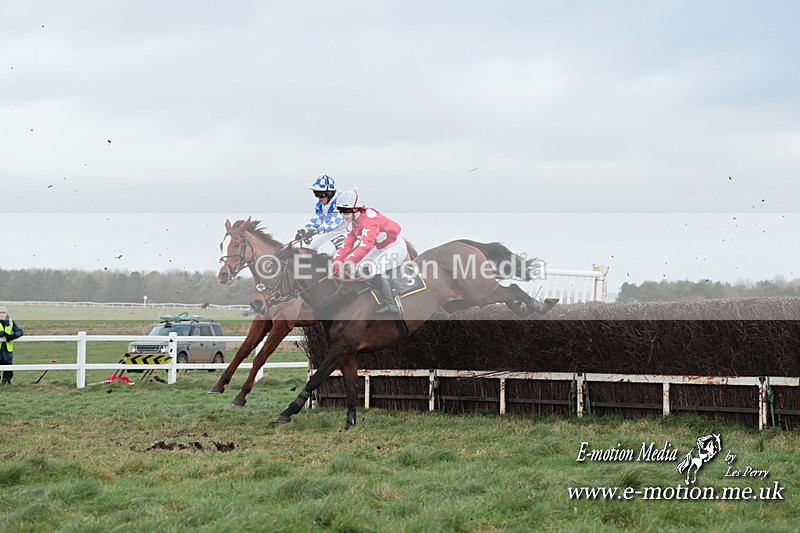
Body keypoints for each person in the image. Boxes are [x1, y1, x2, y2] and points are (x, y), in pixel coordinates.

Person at [331, 188, 407, 315]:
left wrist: (348, 261)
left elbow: (366, 246)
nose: (343, 216)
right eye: (340, 212)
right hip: (379, 249)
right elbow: (346, 247)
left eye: (345, 212)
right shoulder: (351, 224)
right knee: (359, 268)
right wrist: (335, 262)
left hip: (395, 247)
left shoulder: (370, 218)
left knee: (373, 268)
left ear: (356, 209)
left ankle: (391, 304)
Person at [294, 175, 346, 255]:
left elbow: (332, 224)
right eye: (316, 193)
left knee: (324, 251)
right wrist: (305, 230)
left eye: (321, 194)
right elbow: (315, 221)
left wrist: (315, 231)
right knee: (305, 247)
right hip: (331, 233)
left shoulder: (341, 201)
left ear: (330, 192)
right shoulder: (320, 204)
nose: (318, 197)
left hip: (346, 233)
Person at [0, 306, 24, 385]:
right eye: (0, 313)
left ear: (6, 313)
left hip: (7, 351)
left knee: (9, 370)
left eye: (3, 313)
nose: (1, 314)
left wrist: (13, 336)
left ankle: (6, 384)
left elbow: (20, 331)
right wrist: (3, 334)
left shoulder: (10, 322)